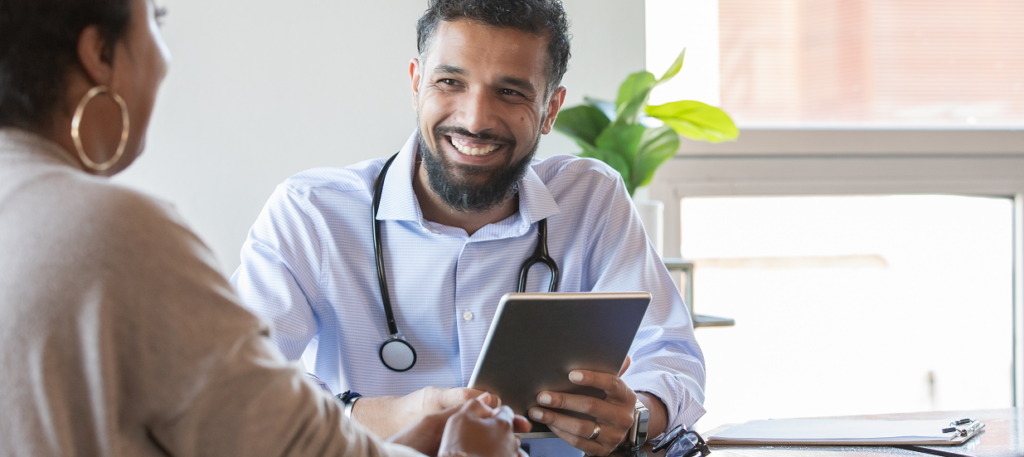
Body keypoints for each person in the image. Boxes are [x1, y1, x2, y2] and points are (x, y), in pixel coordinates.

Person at [0, 0, 529, 455]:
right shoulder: (116, 233)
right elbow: (283, 445)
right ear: (99, 54)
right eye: (156, 20)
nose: (477, 118)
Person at [232, 0, 707, 455]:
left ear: (551, 109)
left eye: (511, 92)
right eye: (450, 82)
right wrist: (395, 414)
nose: (475, 119)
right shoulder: (311, 213)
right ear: (417, 82)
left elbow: (671, 356)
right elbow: (240, 384)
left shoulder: (591, 200)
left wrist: (638, 414)